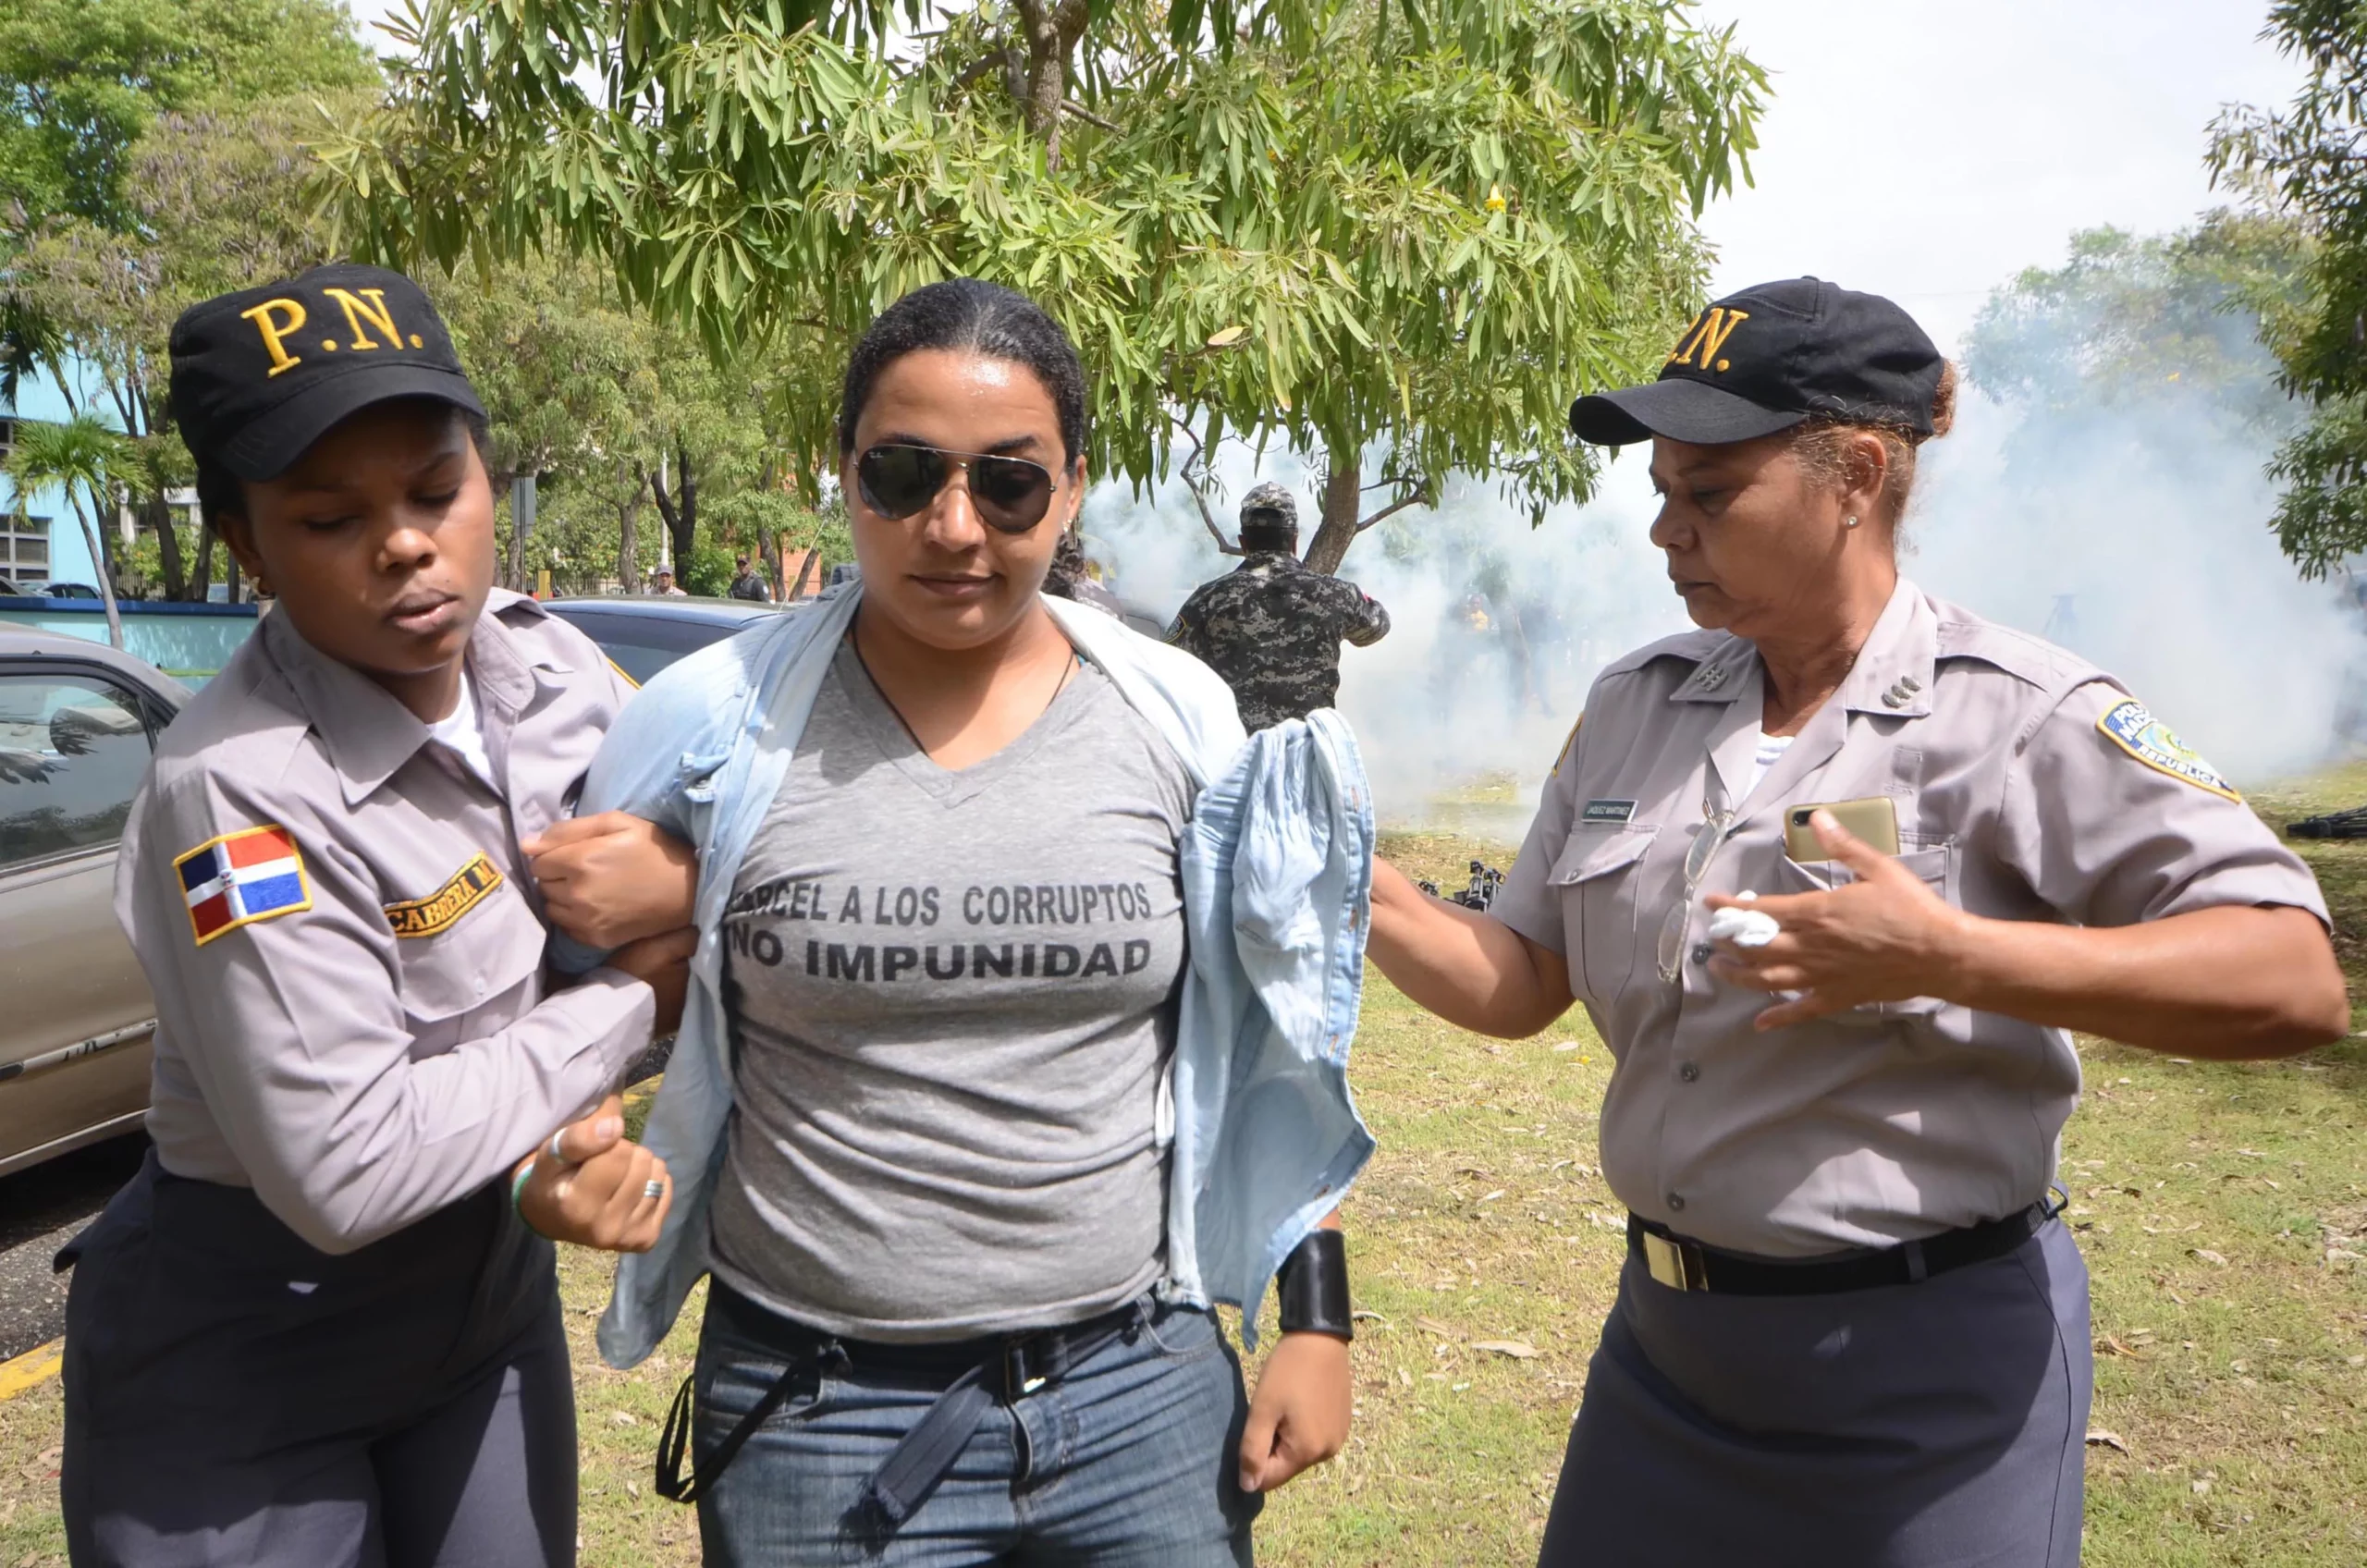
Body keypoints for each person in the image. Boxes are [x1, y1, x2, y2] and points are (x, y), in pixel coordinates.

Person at [1362, 277, 2350, 1568]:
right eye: (1661, 492)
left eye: (1709, 495)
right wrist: (1359, 888)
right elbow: (1523, 978)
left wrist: (1954, 953)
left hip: (1930, 1384)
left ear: (1856, 478)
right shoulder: (1638, 704)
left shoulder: (2018, 714)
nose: (1667, 531)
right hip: (1667, 1368)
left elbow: (2292, 978)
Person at [558, 278, 1375, 1565]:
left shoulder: (1178, 716)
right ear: (844, 476)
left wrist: (1315, 1315)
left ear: (1074, 486)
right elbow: (576, 978)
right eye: (904, 475)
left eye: (1009, 485)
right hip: (817, 1415)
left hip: (1137, 1393)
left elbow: (1276, 1023)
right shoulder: (715, 719)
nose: (954, 527)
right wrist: (574, 1130)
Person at [59, 263, 704, 1568]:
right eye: (328, 516)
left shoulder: (554, 672)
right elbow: (347, 1167)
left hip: (483, 1316)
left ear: (484, 477)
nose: (406, 542)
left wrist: (684, 893)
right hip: (247, 1352)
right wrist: (645, 996)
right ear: (245, 548)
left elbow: (675, 894)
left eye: (433, 489)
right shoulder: (237, 792)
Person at [1166, 482, 1390, 730]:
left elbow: (1166, 662)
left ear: (1243, 543)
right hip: (1310, 755)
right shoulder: (1338, 594)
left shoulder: (1207, 600)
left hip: (1239, 757)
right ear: (1294, 540)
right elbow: (1375, 628)